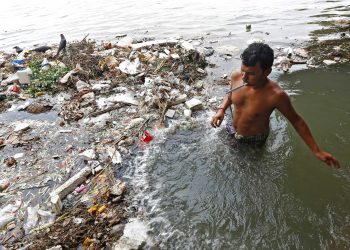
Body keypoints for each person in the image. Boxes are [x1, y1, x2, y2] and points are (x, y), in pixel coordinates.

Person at [210, 42, 340, 168]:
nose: (244, 77)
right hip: (232, 129)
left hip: (254, 139)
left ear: (267, 72)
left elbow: (297, 121)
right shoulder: (236, 76)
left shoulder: (276, 95)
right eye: (243, 71)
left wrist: (317, 151)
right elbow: (230, 94)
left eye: (251, 74)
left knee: (250, 168)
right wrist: (221, 109)